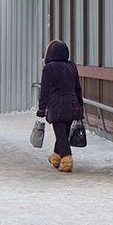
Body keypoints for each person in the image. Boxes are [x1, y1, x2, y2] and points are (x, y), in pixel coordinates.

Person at [37, 40, 84, 173]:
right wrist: (80, 106)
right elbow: (77, 88)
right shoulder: (72, 66)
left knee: (61, 135)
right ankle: (56, 157)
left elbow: (45, 90)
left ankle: (66, 160)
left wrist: (42, 108)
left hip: (57, 106)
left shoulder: (49, 68)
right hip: (73, 105)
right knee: (63, 133)